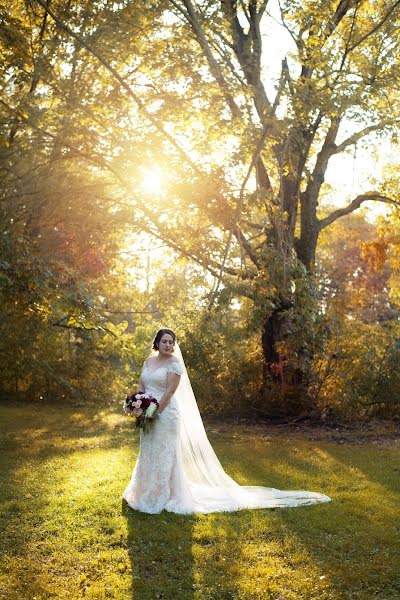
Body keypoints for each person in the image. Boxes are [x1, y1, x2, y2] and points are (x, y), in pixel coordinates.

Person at [122, 328, 331, 514]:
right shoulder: (148, 362)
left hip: (165, 414)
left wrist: (155, 410)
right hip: (147, 413)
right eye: (165, 341)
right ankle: (143, 491)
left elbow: (169, 391)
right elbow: (142, 385)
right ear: (157, 343)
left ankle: (164, 494)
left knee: (165, 452)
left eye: (171, 342)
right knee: (148, 450)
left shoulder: (174, 364)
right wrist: (137, 403)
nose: (168, 345)